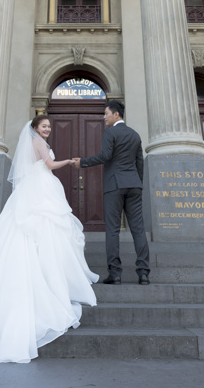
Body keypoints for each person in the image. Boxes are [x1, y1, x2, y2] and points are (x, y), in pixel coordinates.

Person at [0, 115, 99, 363]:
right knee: (44, 227)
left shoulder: (33, 143)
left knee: (32, 229)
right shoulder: (40, 144)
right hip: (41, 187)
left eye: (49, 127)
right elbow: (51, 165)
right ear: (35, 129)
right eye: (44, 126)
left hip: (34, 188)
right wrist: (69, 161)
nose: (47, 129)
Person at [72, 100, 150, 285]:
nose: (103, 117)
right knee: (138, 230)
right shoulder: (135, 134)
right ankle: (144, 272)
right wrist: (137, 182)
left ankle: (115, 274)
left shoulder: (110, 132)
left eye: (106, 113)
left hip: (115, 185)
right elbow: (140, 162)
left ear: (116, 115)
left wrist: (82, 162)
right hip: (134, 185)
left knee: (113, 230)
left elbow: (105, 156)